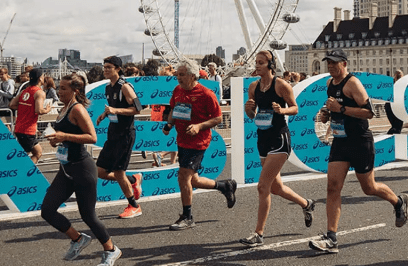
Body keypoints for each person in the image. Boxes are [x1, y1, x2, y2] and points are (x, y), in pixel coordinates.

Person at [310, 49, 408, 254]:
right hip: (340, 141)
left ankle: (398, 201)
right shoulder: (330, 84)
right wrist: (326, 114)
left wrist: (341, 110)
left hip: (359, 141)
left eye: (334, 63)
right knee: (332, 187)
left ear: (344, 64)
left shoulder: (353, 83)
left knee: (369, 187)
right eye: (328, 63)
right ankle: (331, 238)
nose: (330, 66)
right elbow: (333, 108)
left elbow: (369, 112)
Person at [40, 74, 122, 266]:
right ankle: (77, 239)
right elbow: (67, 137)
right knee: (47, 210)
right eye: (58, 88)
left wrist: (63, 135)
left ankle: (111, 249)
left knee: (88, 215)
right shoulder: (64, 108)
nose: (59, 92)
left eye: (63, 89)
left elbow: (92, 137)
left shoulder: (77, 109)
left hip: (83, 169)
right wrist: (56, 139)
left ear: (75, 91)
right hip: (66, 169)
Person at [239, 51, 315, 246]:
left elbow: (295, 108)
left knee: (263, 186)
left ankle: (258, 234)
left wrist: (282, 110)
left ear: (270, 65)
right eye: (256, 62)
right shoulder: (254, 87)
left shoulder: (281, 85)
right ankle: (306, 204)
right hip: (262, 138)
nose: (257, 66)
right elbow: (251, 114)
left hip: (279, 140)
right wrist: (248, 109)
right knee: (276, 187)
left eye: (261, 63)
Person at [163, 61, 237, 230]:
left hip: (198, 142)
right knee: (193, 180)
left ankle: (187, 217)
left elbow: (218, 118)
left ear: (193, 76)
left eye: (182, 75)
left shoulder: (206, 94)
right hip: (182, 140)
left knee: (183, 177)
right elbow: (174, 110)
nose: (178, 78)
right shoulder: (177, 90)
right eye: (177, 74)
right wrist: (169, 125)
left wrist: (198, 126)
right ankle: (225, 186)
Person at [94, 56, 145, 220]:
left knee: (118, 171)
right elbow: (113, 108)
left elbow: (137, 109)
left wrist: (116, 111)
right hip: (113, 133)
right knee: (100, 172)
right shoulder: (108, 87)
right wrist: (104, 114)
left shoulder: (126, 87)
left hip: (125, 134)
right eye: (104, 67)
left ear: (118, 69)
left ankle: (134, 206)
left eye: (109, 67)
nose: (105, 70)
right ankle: (133, 179)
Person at [9, 68, 48, 164]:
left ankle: (23, 171)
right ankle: (25, 173)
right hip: (28, 129)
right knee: (37, 153)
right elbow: (39, 110)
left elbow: (12, 105)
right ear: (40, 78)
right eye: (43, 76)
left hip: (19, 127)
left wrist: (25, 108)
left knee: (29, 153)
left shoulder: (24, 91)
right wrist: (48, 109)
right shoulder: (39, 93)